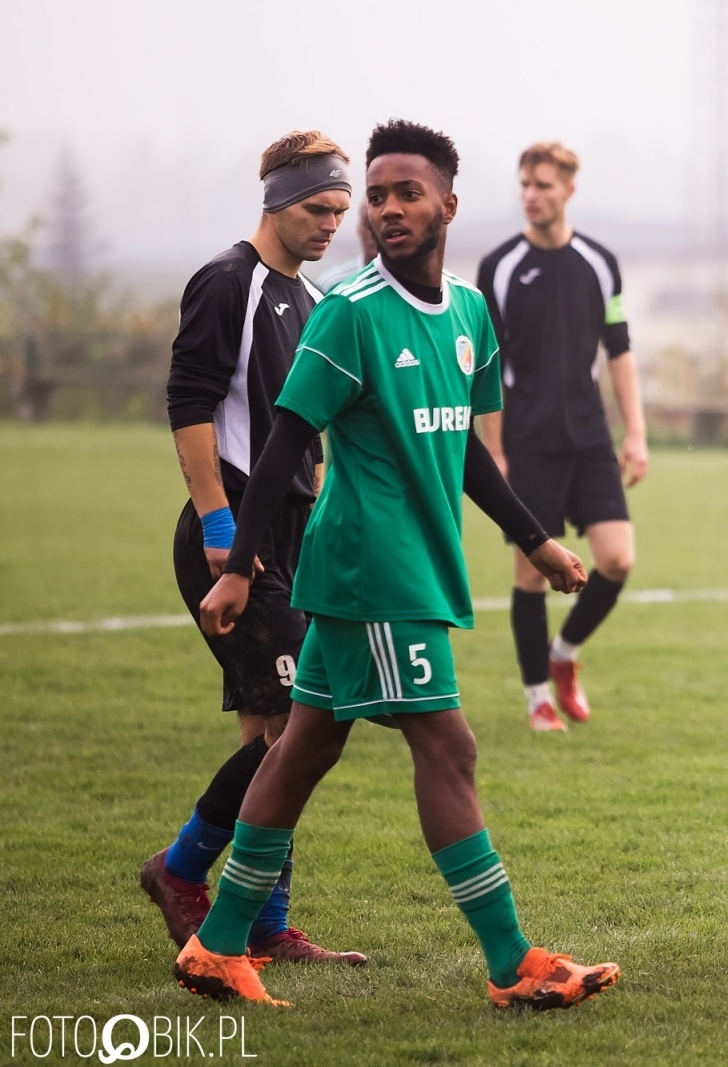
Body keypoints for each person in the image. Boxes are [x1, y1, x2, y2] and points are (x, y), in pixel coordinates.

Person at [174, 119, 620, 1011]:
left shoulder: (466, 313)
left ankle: (217, 944)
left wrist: (534, 539)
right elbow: (286, 444)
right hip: (372, 567)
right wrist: (234, 564)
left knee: (303, 746)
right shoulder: (349, 312)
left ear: (449, 204)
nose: (385, 210)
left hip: (414, 562)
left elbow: (464, 453)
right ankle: (511, 962)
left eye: (404, 193)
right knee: (448, 745)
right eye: (375, 196)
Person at [147, 130, 365, 966]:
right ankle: (182, 867)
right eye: (319, 208)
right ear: (276, 197)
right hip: (235, 533)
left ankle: (265, 924)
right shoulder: (227, 281)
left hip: (291, 537)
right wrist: (216, 522)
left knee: (276, 740)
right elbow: (190, 399)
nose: (330, 225)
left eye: (340, 213)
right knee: (294, 731)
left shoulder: (308, 299)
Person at [476, 142, 647, 732]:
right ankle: (536, 697)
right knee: (531, 573)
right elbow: (488, 370)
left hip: (591, 439)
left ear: (568, 190)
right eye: (525, 183)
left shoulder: (600, 263)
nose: (531, 195)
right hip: (526, 443)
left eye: (543, 185)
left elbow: (619, 352)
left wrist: (637, 434)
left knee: (618, 559)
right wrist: (494, 449)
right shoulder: (497, 267)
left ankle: (564, 655)